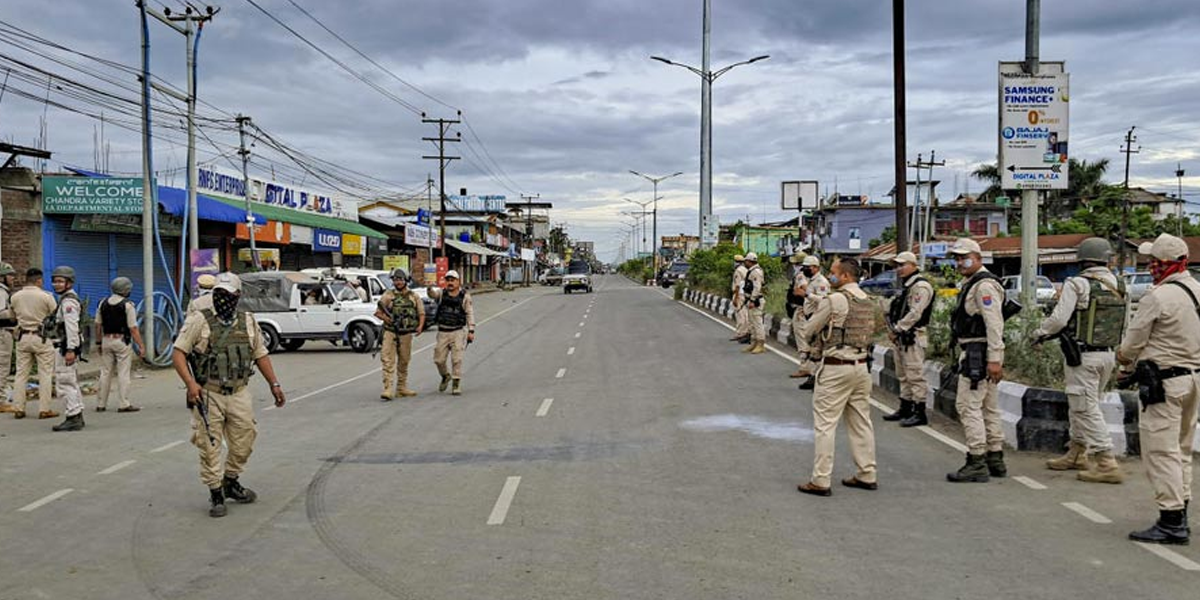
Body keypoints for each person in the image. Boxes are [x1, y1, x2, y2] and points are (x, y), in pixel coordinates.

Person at [171, 272, 287, 518]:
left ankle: (230, 480)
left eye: (228, 295)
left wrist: (274, 384)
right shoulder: (198, 320)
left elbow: (260, 354)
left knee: (245, 440)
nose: (223, 300)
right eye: (219, 295)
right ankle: (215, 493)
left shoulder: (248, 321)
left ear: (238, 296)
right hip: (209, 393)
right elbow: (178, 353)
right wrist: (191, 385)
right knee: (209, 444)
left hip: (239, 392)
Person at [1116, 233, 1198, 545]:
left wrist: (1124, 361)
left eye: (1155, 262)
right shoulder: (1197, 290)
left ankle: (1171, 520)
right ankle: (1182, 510)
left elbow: (1133, 341)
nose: (1151, 267)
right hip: (1194, 380)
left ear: (1168, 264)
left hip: (1164, 384)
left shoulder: (1158, 297)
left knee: (1162, 452)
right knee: (1182, 449)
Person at [1033, 238, 1125, 483]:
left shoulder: (1077, 284)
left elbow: (1059, 320)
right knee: (1083, 404)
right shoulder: (1119, 284)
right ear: (1106, 259)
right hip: (1108, 355)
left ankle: (1106, 462)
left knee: (1085, 408)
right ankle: (1076, 452)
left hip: (1083, 356)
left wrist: (1039, 333)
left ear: (1082, 260)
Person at [797, 258, 878, 496]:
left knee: (825, 425)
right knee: (861, 422)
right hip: (861, 366)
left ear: (845, 277)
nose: (830, 277)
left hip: (836, 367)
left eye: (833, 273)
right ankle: (867, 473)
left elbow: (809, 329)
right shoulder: (867, 301)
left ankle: (821, 480)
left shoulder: (835, 300)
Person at [945, 238, 1008, 483]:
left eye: (965, 257)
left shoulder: (984, 286)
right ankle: (995, 458)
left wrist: (994, 359)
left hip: (977, 354)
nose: (960, 262)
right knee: (988, 407)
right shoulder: (973, 283)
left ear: (978, 257)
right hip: (980, 352)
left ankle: (977, 460)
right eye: (957, 258)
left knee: (968, 406)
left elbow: (994, 324)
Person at [883, 251, 936, 427]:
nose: (899, 269)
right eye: (897, 266)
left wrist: (898, 329)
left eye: (902, 265)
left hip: (913, 336)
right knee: (903, 375)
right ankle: (905, 408)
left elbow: (915, 313)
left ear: (913, 265)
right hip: (902, 337)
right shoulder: (907, 286)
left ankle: (919, 412)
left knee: (915, 375)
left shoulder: (920, 286)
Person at [9, 268, 57, 420]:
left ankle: (18, 408)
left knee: (21, 374)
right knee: (45, 373)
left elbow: (12, 317)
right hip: (41, 337)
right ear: (39, 280)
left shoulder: (15, 297)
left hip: (23, 337)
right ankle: (44, 409)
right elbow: (55, 315)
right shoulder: (46, 297)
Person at [94, 277, 146, 413]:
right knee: (123, 373)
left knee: (105, 372)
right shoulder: (128, 305)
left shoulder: (102, 303)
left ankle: (101, 404)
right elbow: (133, 328)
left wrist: (98, 342)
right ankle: (124, 403)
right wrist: (141, 345)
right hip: (122, 341)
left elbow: (98, 325)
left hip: (106, 340)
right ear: (126, 290)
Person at [374, 268, 425, 400]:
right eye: (396, 279)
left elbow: (421, 312)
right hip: (390, 331)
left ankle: (401, 387)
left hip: (406, 333)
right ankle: (388, 388)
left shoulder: (414, 296)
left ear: (406, 280)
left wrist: (420, 326)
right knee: (387, 359)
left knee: (404, 360)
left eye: (401, 279)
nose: (398, 282)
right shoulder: (388, 295)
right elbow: (378, 313)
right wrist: (388, 319)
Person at [49, 266, 85, 432]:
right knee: (71, 381)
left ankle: (72, 417)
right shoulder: (65, 299)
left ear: (69, 283)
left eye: (60, 281)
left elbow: (71, 327)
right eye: (55, 281)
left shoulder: (68, 302)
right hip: (66, 346)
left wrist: (70, 349)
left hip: (65, 347)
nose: (56, 284)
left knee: (65, 382)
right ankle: (77, 414)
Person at [428, 270, 475, 395]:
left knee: (457, 359)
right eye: (448, 280)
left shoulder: (465, 296)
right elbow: (432, 295)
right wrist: (429, 287)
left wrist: (471, 330)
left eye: (452, 280)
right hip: (443, 332)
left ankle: (456, 382)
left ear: (458, 281)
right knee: (438, 360)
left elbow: (469, 313)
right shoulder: (442, 294)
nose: (450, 282)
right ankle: (445, 376)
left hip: (458, 331)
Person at [796, 255, 831, 389]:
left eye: (808, 267)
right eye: (804, 267)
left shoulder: (821, 282)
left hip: (818, 318)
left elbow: (824, 301)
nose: (805, 270)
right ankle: (813, 376)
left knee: (816, 349)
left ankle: (816, 378)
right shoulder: (811, 280)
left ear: (816, 267)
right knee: (813, 348)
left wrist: (806, 295)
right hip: (809, 316)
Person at [787, 253, 809, 377]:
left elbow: (805, 289)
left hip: (801, 310)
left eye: (795, 263)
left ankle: (805, 367)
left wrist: (801, 293)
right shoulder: (808, 275)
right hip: (804, 310)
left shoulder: (801, 275)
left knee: (802, 338)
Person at [742, 253, 766, 355]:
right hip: (751, 299)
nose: (745, 263)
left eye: (746, 261)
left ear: (750, 261)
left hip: (756, 300)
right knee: (752, 323)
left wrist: (752, 300)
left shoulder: (756, 272)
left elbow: (757, 287)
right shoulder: (752, 271)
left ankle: (760, 343)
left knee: (757, 323)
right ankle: (754, 342)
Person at [0, 263, 16, 411]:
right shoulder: (1, 292)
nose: (13, 278)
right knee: (2, 365)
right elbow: (1, 313)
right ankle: (1, 401)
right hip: (3, 331)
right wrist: (13, 312)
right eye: (10, 275)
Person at [730, 255, 750, 343]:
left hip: (739, 294)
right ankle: (745, 332)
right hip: (745, 294)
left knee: (740, 314)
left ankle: (740, 333)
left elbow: (737, 286)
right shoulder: (745, 270)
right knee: (745, 314)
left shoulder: (738, 271)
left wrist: (735, 298)